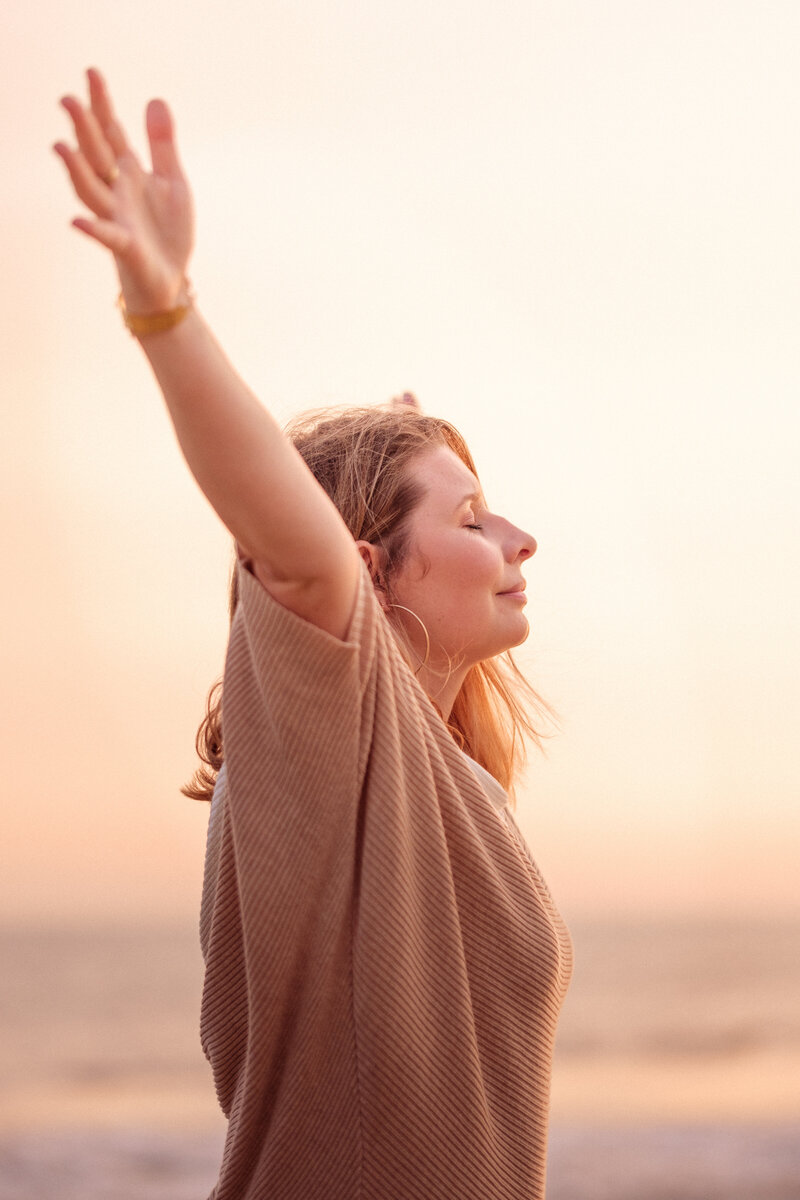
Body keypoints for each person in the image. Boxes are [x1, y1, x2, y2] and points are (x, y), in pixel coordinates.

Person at [55, 69, 572, 1200]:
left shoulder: (452, 790)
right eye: (475, 519)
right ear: (370, 571)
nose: (521, 540)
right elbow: (295, 548)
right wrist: (163, 305)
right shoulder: (329, 738)